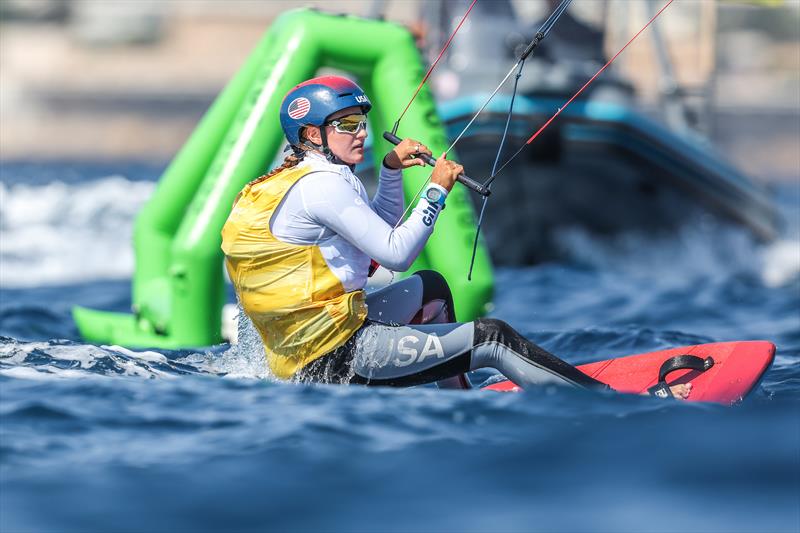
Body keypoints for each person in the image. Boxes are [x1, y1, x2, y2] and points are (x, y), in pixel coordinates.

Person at [221, 75, 691, 399]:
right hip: (336, 358)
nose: (361, 134)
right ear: (310, 133)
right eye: (346, 126)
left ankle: (458, 402)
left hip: (320, 342)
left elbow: (376, 239)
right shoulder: (322, 184)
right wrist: (435, 191)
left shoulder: (313, 175)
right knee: (495, 337)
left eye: (362, 123)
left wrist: (389, 172)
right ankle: (608, 406)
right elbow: (395, 254)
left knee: (432, 290)